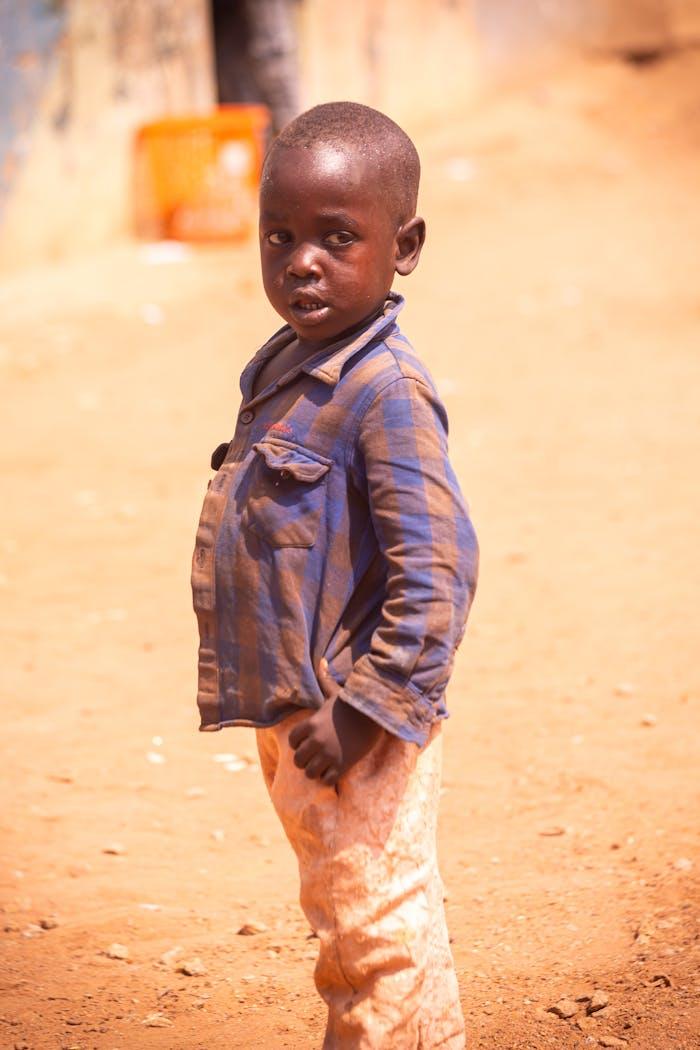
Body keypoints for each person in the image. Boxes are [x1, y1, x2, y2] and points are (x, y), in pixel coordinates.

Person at [191, 101, 479, 1049]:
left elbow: (435, 573)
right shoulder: (289, 362)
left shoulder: (387, 393)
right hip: (300, 712)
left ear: (406, 246)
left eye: (337, 238)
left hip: (356, 723)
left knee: (371, 932)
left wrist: (362, 712)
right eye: (280, 236)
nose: (300, 261)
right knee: (367, 918)